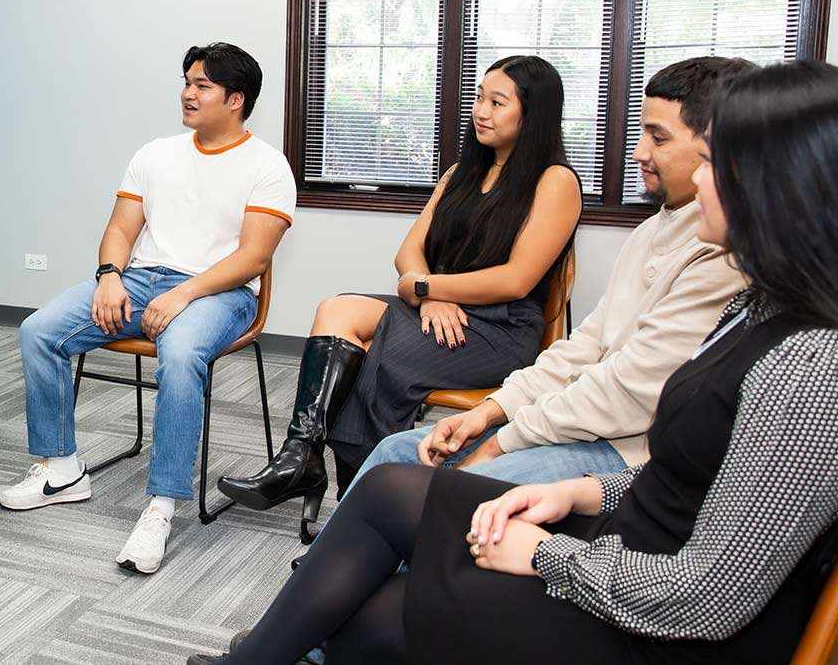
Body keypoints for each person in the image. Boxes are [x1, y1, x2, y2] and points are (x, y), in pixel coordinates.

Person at [187, 59, 838, 665]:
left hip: (640, 576)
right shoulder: (741, 292)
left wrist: (530, 500)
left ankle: (313, 613)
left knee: (396, 528)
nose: (654, 159)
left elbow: (706, 577)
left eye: (707, 158)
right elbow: (659, 443)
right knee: (395, 458)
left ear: (773, 181)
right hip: (623, 517)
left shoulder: (800, 357)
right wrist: (509, 427)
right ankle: (313, 593)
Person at [217, 55, 581, 536]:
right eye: (479, 98)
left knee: (368, 359)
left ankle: (358, 507)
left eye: (498, 102)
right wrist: (429, 295)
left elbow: (516, 279)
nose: (481, 111)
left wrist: (428, 287)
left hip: (499, 327)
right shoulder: (461, 173)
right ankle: (303, 456)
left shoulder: (555, 181)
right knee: (336, 310)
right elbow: (409, 252)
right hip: (439, 312)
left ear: (533, 114)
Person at [349, 57, 752, 488]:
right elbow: (587, 345)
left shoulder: (723, 256)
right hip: (571, 415)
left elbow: (628, 392)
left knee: (443, 487)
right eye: (480, 98)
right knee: (393, 451)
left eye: (659, 138)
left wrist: (504, 438)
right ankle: (314, 471)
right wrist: (491, 411)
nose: (638, 152)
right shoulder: (650, 230)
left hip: (626, 445)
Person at [0, 42, 295, 574]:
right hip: (138, 281)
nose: (188, 93)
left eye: (202, 85)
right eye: (187, 82)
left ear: (236, 99)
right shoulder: (155, 154)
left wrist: (183, 294)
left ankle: (161, 506)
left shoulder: (268, 166)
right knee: (39, 330)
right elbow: (119, 229)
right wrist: (109, 276)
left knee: (180, 355)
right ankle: (62, 469)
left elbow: (253, 257)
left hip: (220, 293)